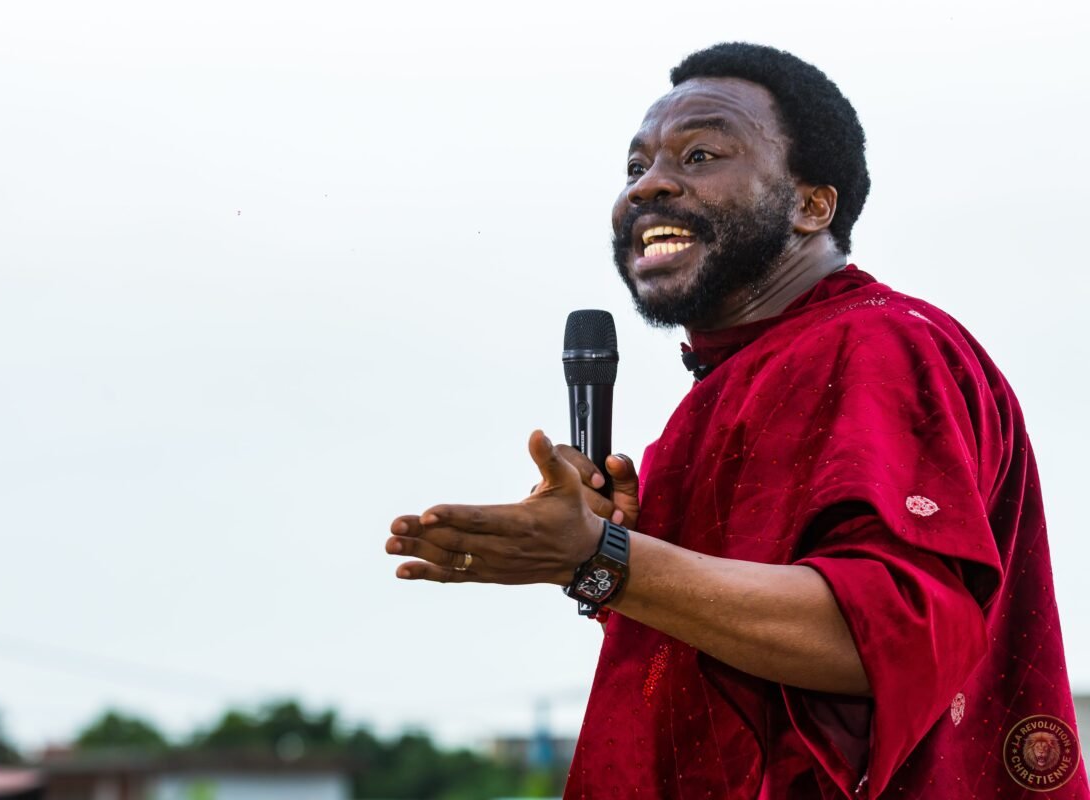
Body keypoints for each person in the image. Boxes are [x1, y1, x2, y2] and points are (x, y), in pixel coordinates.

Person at [385, 42, 1088, 798]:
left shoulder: (878, 342)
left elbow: (891, 634)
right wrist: (600, 556)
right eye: (635, 167)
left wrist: (608, 558)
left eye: (700, 155)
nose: (649, 185)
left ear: (812, 206)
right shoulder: (731, 389)